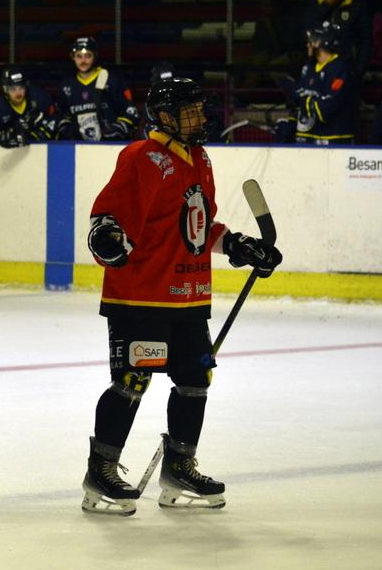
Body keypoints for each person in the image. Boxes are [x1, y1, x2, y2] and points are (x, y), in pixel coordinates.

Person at [81, 77, 283, 517]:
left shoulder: (200, 158)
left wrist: (238, 245)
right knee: (132, 382)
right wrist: (107, 239)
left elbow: (196, 226)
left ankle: (179, 467)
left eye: (200, 109)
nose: (201, 116)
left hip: (188, 296)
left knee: (195, 382)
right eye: (191, 110)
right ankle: (101, 471)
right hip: (141, 297)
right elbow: (107, 218)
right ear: (166, 117)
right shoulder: (141, 157)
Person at [55, 36, 139, 142]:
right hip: (79, 146)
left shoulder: (111, 80)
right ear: (73, 57)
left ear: (95, 56)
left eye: (87, 56)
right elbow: (61, 114)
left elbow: (131, 111)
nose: (83, 60)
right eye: (79, 56)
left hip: (111, 145)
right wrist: (66, 128)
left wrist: (118, 127)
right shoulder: (66, 85)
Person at [291, 21, 356, 143]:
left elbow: (330, 104)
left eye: (313, 41)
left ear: (324, 43)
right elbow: (297, 96)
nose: (308, 45)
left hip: (332, 138)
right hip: (309, 136)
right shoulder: (308, 66)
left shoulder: (340, 68)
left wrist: (306, 102)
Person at [302, 0, 372, 78]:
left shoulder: (356, 4)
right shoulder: (315, 1)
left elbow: (365, 41)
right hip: (317, 69)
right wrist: (326, 5)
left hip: (347, 69)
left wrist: (358, 71)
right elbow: (307, 28)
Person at [0, 67, 59, 148]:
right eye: (13, 89)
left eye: (21, 88)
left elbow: (55, 116)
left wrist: (41, 130)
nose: (18, 93)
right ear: (5, 89)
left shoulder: (38, 96)